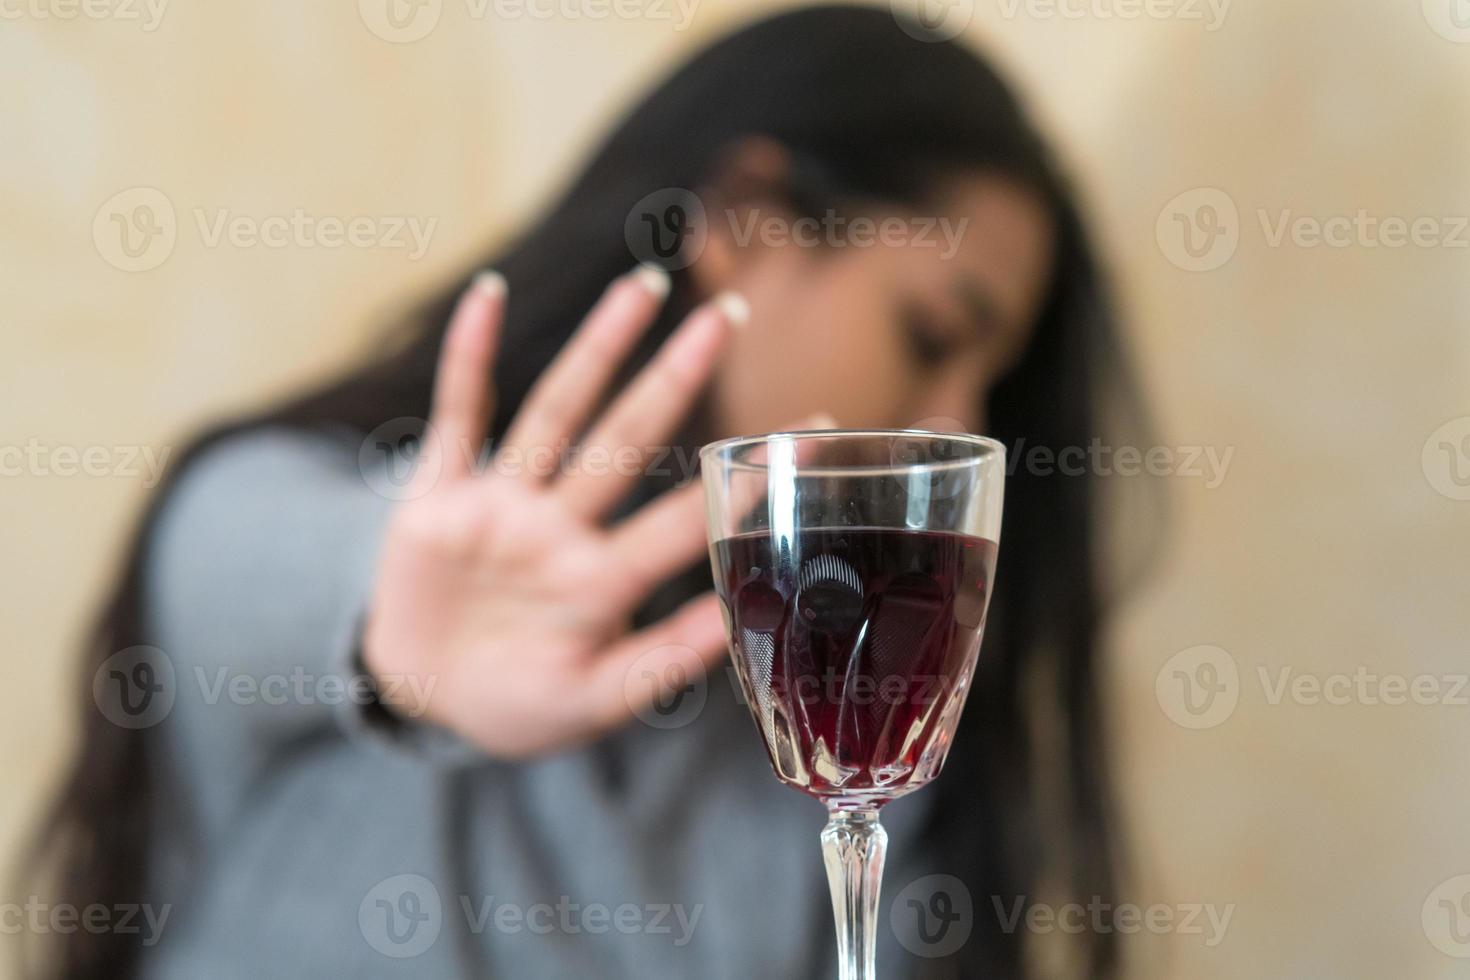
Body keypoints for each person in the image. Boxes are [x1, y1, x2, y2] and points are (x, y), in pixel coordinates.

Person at [26, 6, 1143, 978]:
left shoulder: (860, 718)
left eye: (988, 384)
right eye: (930, 335)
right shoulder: (264, 517)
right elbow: (249, 553)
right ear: (747, 218)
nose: (956, 425)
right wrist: (400, 645)